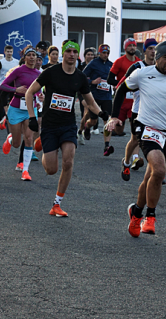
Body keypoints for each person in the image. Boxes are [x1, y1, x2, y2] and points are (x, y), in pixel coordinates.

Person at [106, 41, 166, 236]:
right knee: (160, 170)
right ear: (157, 58)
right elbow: (121, 89)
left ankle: (136, 212)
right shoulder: (142, 74)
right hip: (148, 129)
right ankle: (150, 217)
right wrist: (115, 116)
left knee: (151, 176)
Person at [24, 40, 107, 217]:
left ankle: (57, 204)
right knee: (51, 170)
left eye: (74, 52)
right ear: (63, 53)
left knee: (69, 160)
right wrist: (32, 117)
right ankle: (42, 144)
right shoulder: (50, 73)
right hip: (50, 125)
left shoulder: (80, 77)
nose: (71, 54)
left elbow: (90, 101)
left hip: (68, 125)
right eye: (68, 51)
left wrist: (103, 115)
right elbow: (29, 92)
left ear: (78, 55)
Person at [117, 38, 157, 181]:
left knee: (154, 140)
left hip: (154, 111)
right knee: (135, 139)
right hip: (138, 110)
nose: (153, 51)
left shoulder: (161, 68)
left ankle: (155, 169)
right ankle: (127, 162)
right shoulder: (137, 67)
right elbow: (121, 87)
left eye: (155, 49)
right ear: (145, 50)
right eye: (151, 48)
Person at [0, 47, 41, 179]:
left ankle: (25, 170)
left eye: (34, 55)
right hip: (16, 107)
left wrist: (40, 97)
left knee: (29, 138)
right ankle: (10, 139)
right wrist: (15, 89)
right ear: (24, 58)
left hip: (30, 109)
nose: (32, 57)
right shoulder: (18, 70)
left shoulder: (39, 73)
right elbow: (3, 85)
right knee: (17, 143)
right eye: (29, 55)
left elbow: (39, 90)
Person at [81, 44, 114, 155]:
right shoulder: (93, 63)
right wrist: (92, 82)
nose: (105, 55)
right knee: (93, 120)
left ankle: (106, 146)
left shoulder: (111, 65)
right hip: (94, 96)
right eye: (103, 53)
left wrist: (115, 85)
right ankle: (87, 127)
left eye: (107, 53)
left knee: (108, 121)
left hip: (107, 97)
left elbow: (115, 79)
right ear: (99, 53)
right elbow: (82, 76)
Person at [107, 37, 140, 136]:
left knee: (135, 130)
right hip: (121, 99)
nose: (132, 48)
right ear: (125, 48)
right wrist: (120, 85)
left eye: (134, 45)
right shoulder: (119, 62)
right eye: (129, 45)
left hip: (134, 101)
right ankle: (109, 126)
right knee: (119, 131)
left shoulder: (139, 63)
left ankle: (134, 150)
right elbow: (110, 79)